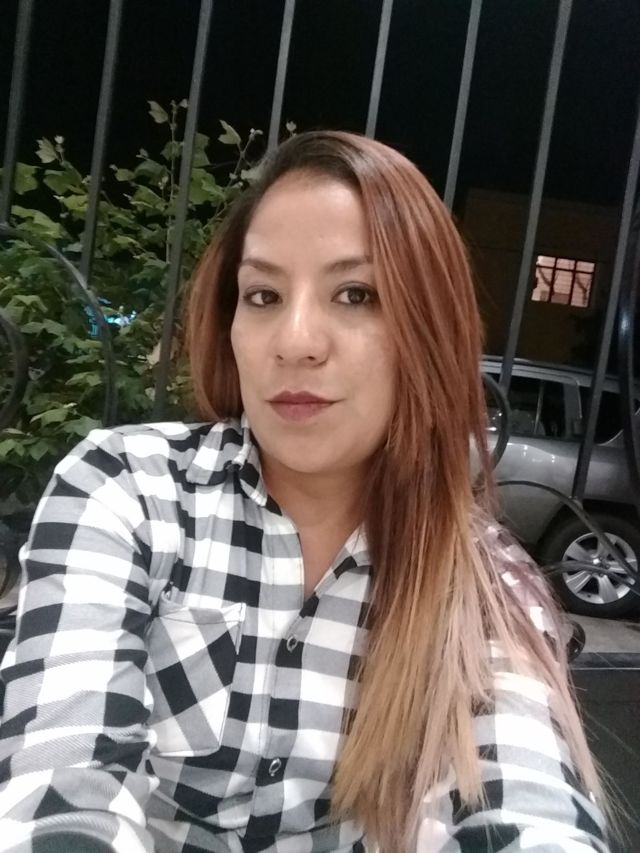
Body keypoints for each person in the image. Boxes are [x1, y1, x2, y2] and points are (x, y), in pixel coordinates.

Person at [0, 131, 609, 852]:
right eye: (263, 295)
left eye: (356, 294)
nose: (294, 341)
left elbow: (524, 806)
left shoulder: (480, 582)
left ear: (429, 333)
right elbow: (61, 779)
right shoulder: (130, 490)